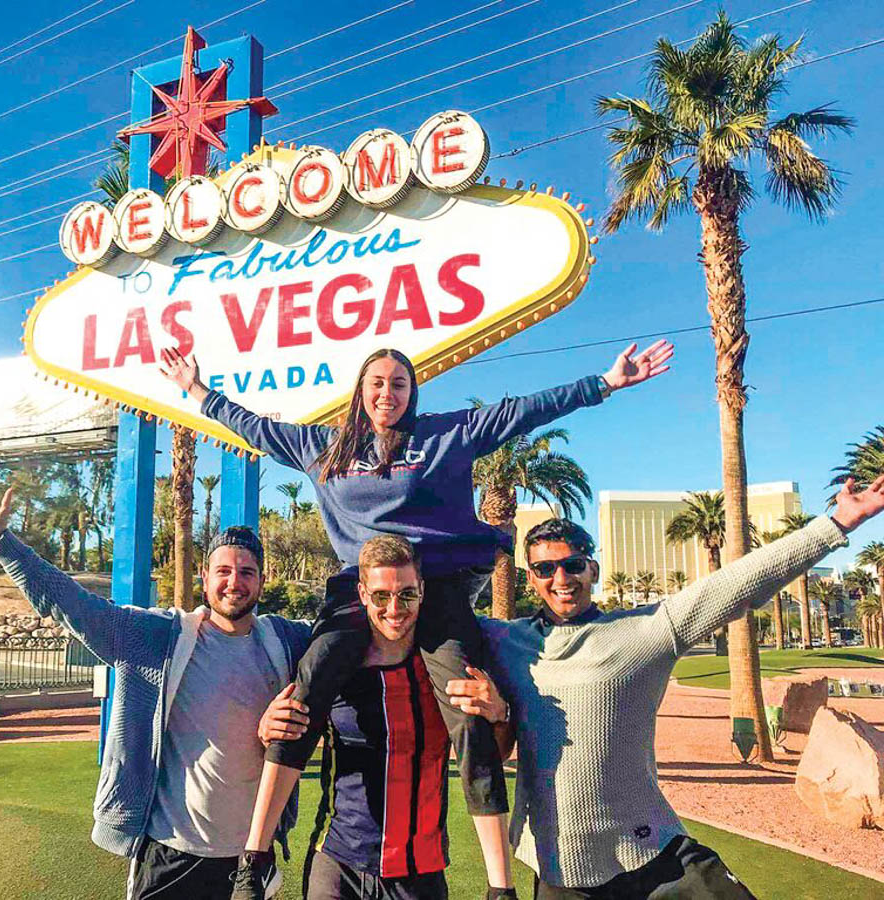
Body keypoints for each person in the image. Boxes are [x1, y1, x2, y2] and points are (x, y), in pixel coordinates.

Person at [160, 340, 674, 899]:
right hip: (360, 587)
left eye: (399, 383)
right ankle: (254, 859)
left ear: (412, 392)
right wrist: (195, 390)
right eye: (377, 382)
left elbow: (520, 411)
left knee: (466, 704)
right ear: (361, 390)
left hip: (436, 588)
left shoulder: (441, 437)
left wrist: (604, 383)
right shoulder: (323, 446)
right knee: (308, 684)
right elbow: (252, 426)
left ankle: (499, 886)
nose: (387, 392)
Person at [439, 473, 884, 898]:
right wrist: (500, 712)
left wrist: (838, 523)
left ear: (592, 568)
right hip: (558, 865)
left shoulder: (648, 629)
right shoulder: (503, 640)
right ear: (531, 577)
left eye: (573, 565)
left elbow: (738, 583)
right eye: (545, 568)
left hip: (653, 850)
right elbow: (436, 621)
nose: (561, 579)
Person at [0, 473, 311, 899]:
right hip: (169, 850)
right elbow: (70, 604)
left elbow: (351, 632)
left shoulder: (287, 642)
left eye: (247, 572)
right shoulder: (155, 637)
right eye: (224, 571)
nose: (235, 582)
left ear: (262, 582)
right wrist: (1, 541)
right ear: (205, 577)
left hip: (250, 860)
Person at [258, 535, 512, 900]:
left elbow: (493, 755)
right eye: (381, 596)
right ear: (362, 594)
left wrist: (501, 714)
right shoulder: (334, 664)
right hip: (337, 866)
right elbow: (279, 714)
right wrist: (267, 723)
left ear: (422, 591)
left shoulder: (450, 672)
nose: (394, 608)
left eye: (407, 594)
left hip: (419, 874)